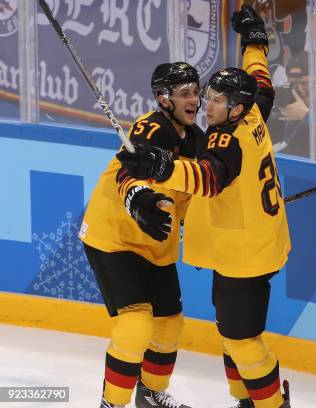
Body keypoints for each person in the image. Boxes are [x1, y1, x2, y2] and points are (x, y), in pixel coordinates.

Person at [117, 5, 291, 408]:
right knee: (231, 333)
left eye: (217, 100)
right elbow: (261, 79)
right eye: (207, 95)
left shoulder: (226, 139)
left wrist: (162, 165)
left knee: (242, 341)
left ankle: (270, 405)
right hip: (255, 244)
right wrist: (255, 40)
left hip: (242, 255)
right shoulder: (254, 109)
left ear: (235, 107)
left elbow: (207, 178)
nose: (206, 105)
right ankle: (247, 400)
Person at [79, 62, 203, 408]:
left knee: (169, 326)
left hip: (155, 242)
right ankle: (112, 404)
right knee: (135, 326)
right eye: (184, 93)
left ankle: (150, 396)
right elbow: (126, 174)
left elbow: (197, 196)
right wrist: (137, 197)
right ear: (164, 99)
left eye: (196, 91)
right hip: (114, 236)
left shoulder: (197, 139)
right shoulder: (151, 129)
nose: (194, 99)